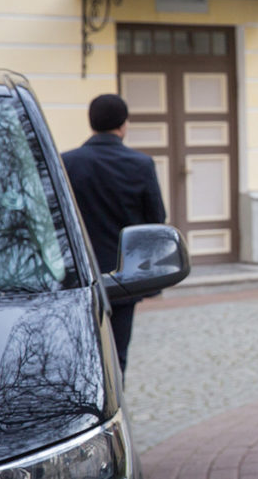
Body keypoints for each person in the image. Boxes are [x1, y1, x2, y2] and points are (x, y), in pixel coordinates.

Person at [62, 94, 166, 374]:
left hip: (77, 278)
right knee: (116, 357)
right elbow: (156, 221)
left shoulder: (67, 162)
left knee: (80, 357)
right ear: (123, 125)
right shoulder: (141, 164)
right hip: (123, 278)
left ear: (92, 123)